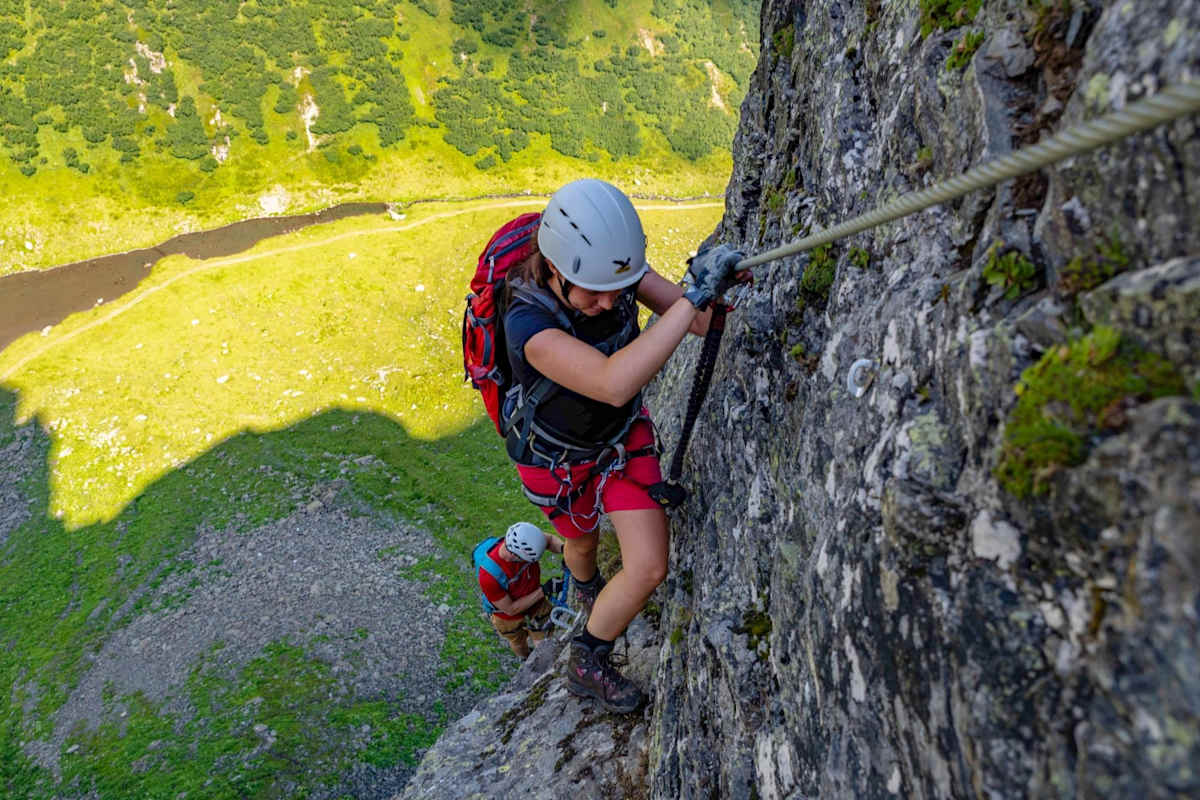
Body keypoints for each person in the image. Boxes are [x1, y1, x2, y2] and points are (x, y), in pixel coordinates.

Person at [498, 178, 744, 712]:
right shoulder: (527, 322)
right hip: (556, 461)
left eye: (621, 286)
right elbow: (613, 381)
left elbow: (697, 323)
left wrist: (707, 283)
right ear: (556, 270)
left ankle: (587, 657)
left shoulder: (610, 271)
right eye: (594, 293)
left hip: (616, 441)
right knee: (581, 545)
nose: (612, 301)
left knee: (650, 565)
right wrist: (694, 296)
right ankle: (585, 583)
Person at [478, 521, 566, 659]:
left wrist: (566, 551)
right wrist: (545, 590)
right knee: (518, 642)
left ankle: (539, 659)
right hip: (507, 618)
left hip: (536, 605)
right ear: (516, 556)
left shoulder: (526, 541)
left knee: (543, 643)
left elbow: (548, 540)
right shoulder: (488, 577)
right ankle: (525, 658)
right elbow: (511, 609)